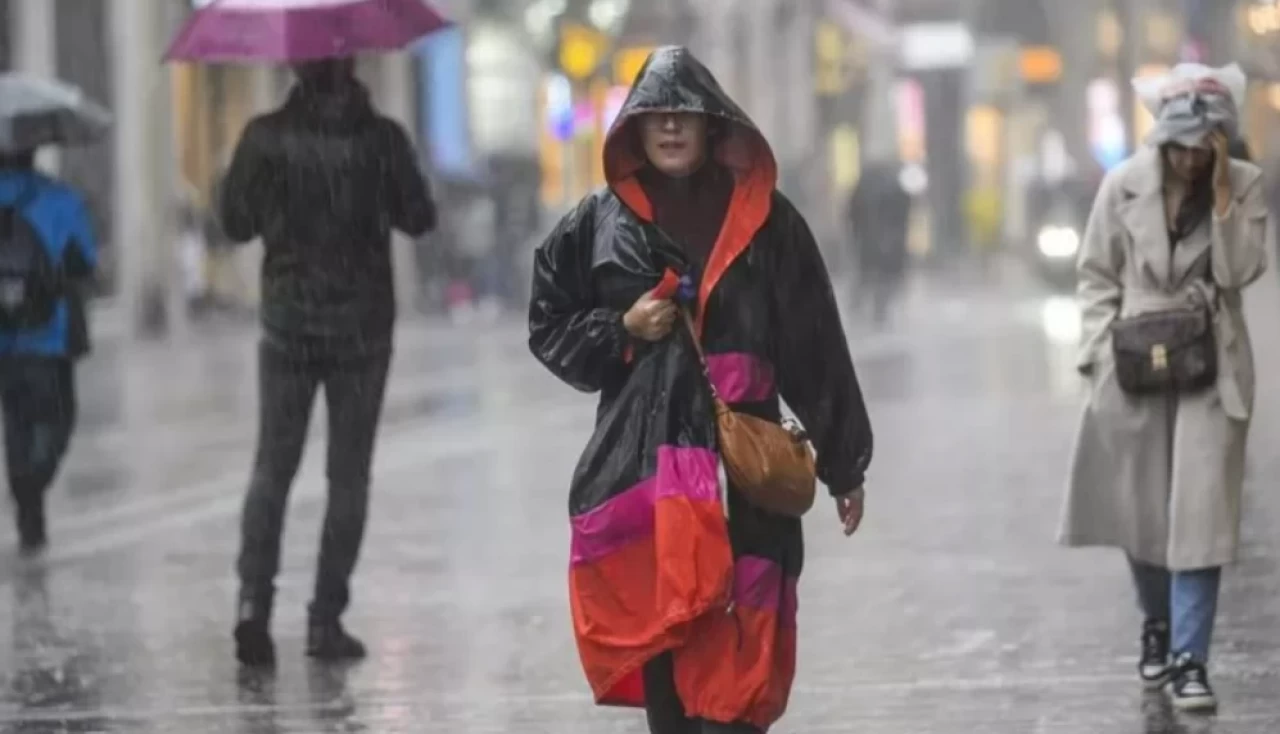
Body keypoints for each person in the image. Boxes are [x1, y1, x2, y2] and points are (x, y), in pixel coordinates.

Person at [528, 47, 873, 733]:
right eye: (655, 117)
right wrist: (621, 328)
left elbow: (813, 345)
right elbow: (548, 323)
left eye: (685, 115)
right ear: (634, 129)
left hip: (748, 471)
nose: (671, 129)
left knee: (746, 638)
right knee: (671, 640)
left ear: (715, 125)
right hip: (645, 469)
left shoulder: (770, 223)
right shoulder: (597, 225)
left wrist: (844, 462)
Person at [1061, 64, 1268, 713]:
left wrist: (1228, 196)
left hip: (1212, 363)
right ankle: (1156, 623)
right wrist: (1096, 356)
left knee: (1201, 516)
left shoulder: (1243, 188)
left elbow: (1239, 272)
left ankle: (1190, 657)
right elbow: (1095, 274)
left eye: (1198, 145)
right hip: (1133, 365)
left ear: (1216, 142)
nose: (1185, 158)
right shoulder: (1122, 186)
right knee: (1143, 515)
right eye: (1176, 144)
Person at [219, 57, 436, 667]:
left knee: (272, 468)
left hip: (288, 325)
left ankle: (252, 606)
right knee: (348, 478)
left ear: (291, 64)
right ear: (353, 61)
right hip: (363, 330)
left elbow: (233, 223)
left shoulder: (264, 137)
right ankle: (324, 619)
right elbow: (419, 218)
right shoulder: (382, 139)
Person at [0, 149, 97, 553]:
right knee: (60, 420)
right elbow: (86, 261)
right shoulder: (59, 198)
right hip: (49, 337)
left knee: (17, 423)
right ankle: (32, 485)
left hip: (5, 339)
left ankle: (30, 522)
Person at [848, 159, 911, 326]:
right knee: (881, 275)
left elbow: (852, 215)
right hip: (884, 238)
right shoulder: (895, 187)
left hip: (869, 238)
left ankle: (863, 305)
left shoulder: (863, 189)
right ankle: (877, 308)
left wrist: (857, 234)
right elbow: (904, 214)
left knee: (868, 273)